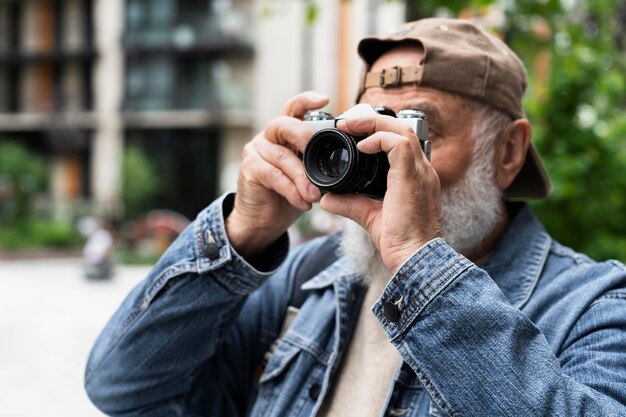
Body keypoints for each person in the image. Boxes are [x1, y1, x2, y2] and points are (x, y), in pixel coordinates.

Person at [84, 18, 626, 416]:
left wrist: (420, 261)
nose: (389, 158)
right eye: (371, 130)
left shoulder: (593, 306)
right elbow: (123, 390)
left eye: (419, 131)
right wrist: (241, 236)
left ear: (508, 152)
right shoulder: (308, 278)